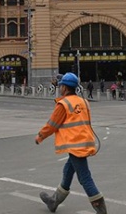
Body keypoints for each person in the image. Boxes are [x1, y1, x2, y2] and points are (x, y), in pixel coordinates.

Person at [35, 72, 107, 214]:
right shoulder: (84, 102)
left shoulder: (63, 104)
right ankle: (53, 202)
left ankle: (101, 210)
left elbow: (52, 125)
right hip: (85, 142)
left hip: (75, 145)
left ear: (65, 88)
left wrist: (40, 136)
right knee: (68, 171)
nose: (60, 87)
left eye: (61, 85)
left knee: (85, 177)